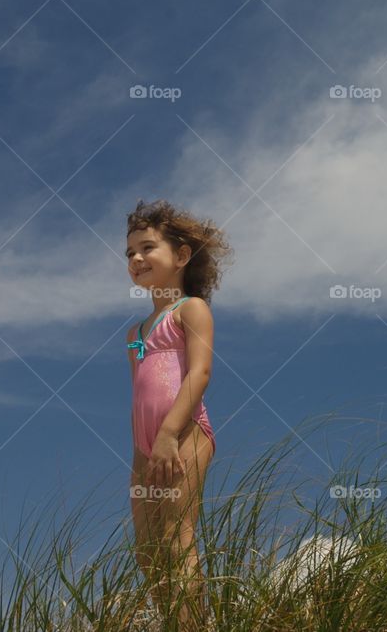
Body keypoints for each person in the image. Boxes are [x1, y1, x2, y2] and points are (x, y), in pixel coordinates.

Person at [124, 198, 233, 630]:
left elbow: (200, 373)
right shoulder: (134, 333)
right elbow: (139, 391)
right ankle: (175, 623)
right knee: (146, 551)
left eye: (147, 248)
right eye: (130, 252)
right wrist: (143, 451)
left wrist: (170, 433)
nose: (136, 258)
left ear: (181, 256)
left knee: (176, 539)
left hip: (184, 434)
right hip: (144, 448)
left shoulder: (190, 309)